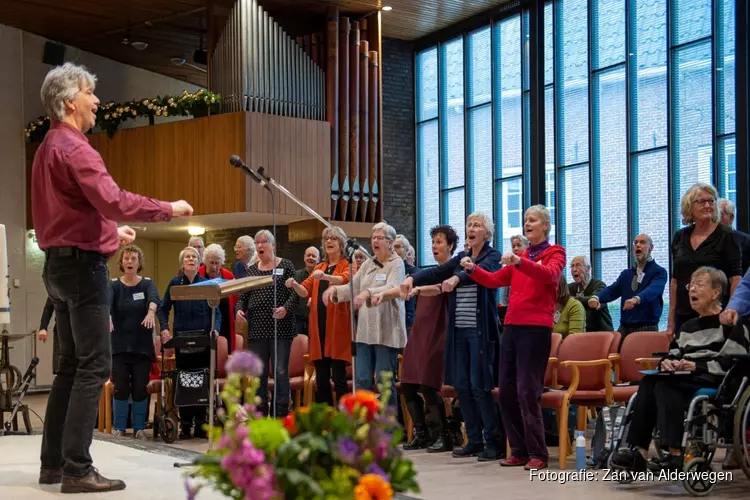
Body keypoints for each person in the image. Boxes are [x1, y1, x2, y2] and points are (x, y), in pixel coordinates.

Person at [32, 62, 192, 492]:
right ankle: (78, 469)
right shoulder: (77, 147)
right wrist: (168, 209)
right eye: (89, 92)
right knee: (95, 366)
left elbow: (72, 211)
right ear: (69, 101)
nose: (97, 100)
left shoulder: (47, 145)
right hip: (83, 270)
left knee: (68, 367)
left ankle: (53, 464)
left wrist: (107, 232)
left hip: (58, 266)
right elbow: (114, 199)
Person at [611, 267, 750, 473]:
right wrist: (667, 362)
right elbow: (674, 353)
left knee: (667, 386)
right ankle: (638, 452)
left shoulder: (730, 322)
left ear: (716, 292)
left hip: (713, 377)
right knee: (650, 381)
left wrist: (697, 365)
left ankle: (675, 454)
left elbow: (733, 361)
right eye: (690, 285)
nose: (692, 289)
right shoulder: (687, 326)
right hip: (684, 375)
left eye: (699, 285)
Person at [459, 205, 565, 470]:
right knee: (506, 392)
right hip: (513, 327)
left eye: (533, 220)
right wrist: (473, 269)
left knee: (527, 391)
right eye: (525, 220)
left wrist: (521, 262)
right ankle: (517, 449)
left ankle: (538, 453)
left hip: (536, 328)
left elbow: (550, 275)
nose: (527, 224)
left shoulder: (555, 253)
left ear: (545, 225)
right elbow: (495, 280)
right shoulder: (523, 255)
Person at [402, 212, 505, 461]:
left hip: (479, 332)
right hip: (458, 331)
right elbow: (438, 273)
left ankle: (493, 441)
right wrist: (411, 277)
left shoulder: (493, 256)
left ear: (487, 233)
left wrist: (458, 277)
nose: (471, 228)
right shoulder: (461, 257)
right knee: (462, 386)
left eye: (477, 225)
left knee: (480, 387)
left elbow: (479, 274)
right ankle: (474, 439)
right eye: (469, 224)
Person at [381, 224, 458, 452]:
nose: (435, 246)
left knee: (427, 385)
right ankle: (422, 433)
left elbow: (438, 288)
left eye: (440, 242)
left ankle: (442, 435)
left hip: (439, 332)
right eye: (433, 242)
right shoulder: (426, 272)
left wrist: (417, 288)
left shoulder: (453, 273)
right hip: (419, 332)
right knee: (407, 385)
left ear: (451, 246)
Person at [324, 222, 406, 409]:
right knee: (361, 379)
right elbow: (352, 287)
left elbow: (391, 287)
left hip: (387, 330)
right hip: (365, 331)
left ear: (390, 242)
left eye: (379, 238)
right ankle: (364, 427)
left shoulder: (397, 263)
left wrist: (368, 292)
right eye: (373, 237)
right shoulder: (368, 263)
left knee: (384, 382)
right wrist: (335, 290)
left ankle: (387, 429)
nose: (375, 241)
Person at [157, 247, 221, 439]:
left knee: (202, 380)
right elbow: (162, 310)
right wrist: (164, 329)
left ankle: (201, 424)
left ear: (199, 261)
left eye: (194, 256)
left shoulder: (207, 284)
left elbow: (216, 313)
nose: (191, 259)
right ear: (182, 263)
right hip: (182, 339)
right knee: (185, 381)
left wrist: (216, 329)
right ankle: (185, 425)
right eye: (187, 257)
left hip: (203, 339)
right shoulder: (175, 284)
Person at [236, 230, 298, 417]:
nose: (260, 245)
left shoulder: (286, 265)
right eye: (257, 242)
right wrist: (239, 309)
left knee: (280, 372)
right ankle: (260, 416)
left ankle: (280, 416)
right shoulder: (252, 270)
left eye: (264, 242)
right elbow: (243, 296)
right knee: (259, 375)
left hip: (281, 327)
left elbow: (295, 293)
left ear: (272, 245)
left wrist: (285, 308)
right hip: (257, 328)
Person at [286, 229, 350, 405]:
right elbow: (305, 290)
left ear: (341, 243)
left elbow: (344, 280)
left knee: (338, 378)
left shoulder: (347, 264)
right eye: (326, 238)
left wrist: (325, 276)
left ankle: (344, 418)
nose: (329, 241)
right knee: (321, 380)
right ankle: (327, 416)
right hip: (319, 329)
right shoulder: (319, 267)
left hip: (337, 330)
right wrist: (294, 284)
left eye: (334, 238)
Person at [668, 183, 741, 334]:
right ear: (689, 207)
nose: (708, 205)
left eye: (711, 201)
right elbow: (675, 280)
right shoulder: (680, 237)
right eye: (701, 201)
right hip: (683, 313)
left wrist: (732, 310)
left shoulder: (727, 235)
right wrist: (671, 320)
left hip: (715, 312)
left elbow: (736, 278)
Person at [108, 245, 159, 439]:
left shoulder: (146, 283)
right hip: (120, 347)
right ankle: (119, 426)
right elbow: (107, 301)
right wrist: (107, 316)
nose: (130, 262)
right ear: (121, 262)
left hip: (141, 347)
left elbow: (154, 299)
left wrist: (151, 312)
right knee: (120, 387)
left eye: (133, 259)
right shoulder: (113, 285)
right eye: (126, 258)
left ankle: (139, 427)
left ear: (139, 263)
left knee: (140, 387)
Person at [588, 234, 668, 340]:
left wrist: (636, 299)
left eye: (642, 242)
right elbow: (612, 290)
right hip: (625, 327)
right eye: (635, 243)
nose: (638, 245)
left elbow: (653, 290)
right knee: (614, 353)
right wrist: (596, 297)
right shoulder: (626, 274)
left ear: (651, 247)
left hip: (646, 328)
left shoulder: (659, 272)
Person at [199, 244, 238, 352]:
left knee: (224, 351)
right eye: (211, 263)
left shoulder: (229, 276)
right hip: (204, 322)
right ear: (205, 261)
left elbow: (235, 300)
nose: (214, 267)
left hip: (225, 322)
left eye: (217, 263)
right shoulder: (198, 274)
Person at [569, 256, 613, 331]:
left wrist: (572, 299)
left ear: (588, 269)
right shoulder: (571, 287)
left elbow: (595, 299)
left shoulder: (599, 285)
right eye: (572, 266)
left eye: (578, 265)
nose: (574, 269)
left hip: (600, 333)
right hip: (581, 333)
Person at [293, 246, 321, 336]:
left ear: (319, 260)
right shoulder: (296, 275)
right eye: (308, 255)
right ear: (304, 258)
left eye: (314, 256)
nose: (310, 258)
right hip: (298, 320)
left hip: (318, 319)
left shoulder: (323, 276)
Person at [38, 297, 60, 375]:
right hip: (62, 329)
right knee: (61, 366)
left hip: (80, 328)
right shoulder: (57, 287)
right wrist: (43, 328)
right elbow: (48, 308)